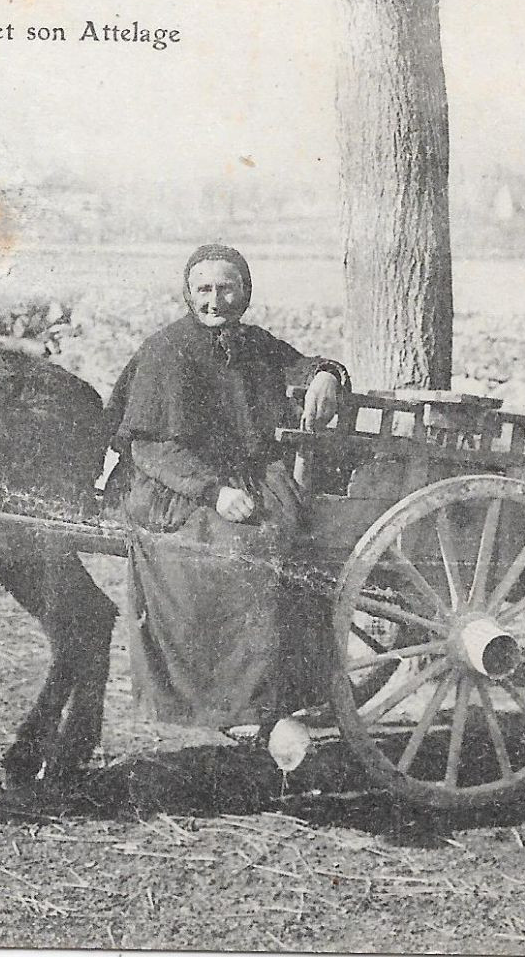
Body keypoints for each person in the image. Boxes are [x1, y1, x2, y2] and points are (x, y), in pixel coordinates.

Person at [106, 243, 346, 735]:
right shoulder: (165, 350)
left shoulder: (254, 342)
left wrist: (326, 374)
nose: (216, 301)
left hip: (248, 478)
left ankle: (279, 694)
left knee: (290, 543)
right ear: (189, 295)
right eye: (204, 290)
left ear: (245, 291)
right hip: (176, 485)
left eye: (227, 288)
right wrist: (212, 492)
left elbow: (299, 365)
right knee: (236, 551)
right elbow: (148, 448)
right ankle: (227, 704)